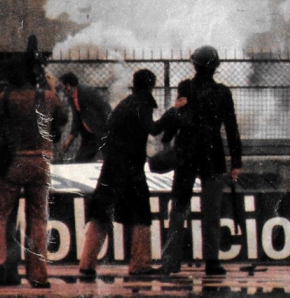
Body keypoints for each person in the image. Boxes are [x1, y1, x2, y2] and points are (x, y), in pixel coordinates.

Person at [79, 69, 176, 279]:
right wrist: (173, 111)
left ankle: (86, 263)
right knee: (140, 214)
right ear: (151, 85)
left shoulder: (125, 103)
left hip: (111, 166)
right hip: (131, 168)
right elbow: (153, 129)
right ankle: (139, 263)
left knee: (101, 213)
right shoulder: (143, 103)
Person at [161, 46, 243, 276]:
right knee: (212, 211)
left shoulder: (185, 87)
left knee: (179, 207)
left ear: (194, 65)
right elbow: (232, 128)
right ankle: (212, 261)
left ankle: (171, 261)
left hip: (187, 152)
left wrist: (167, 138)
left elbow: (179, 116)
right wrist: (236, 162)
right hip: (213, 154)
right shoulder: (223, 93)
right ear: (215, 67)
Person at [0, 55, 65, 288]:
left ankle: (2, 265)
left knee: (2, 215)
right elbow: (62, 119)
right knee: (38, 219)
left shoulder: (4, 98)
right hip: (40, 161)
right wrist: (52, 87)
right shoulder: (47, 97)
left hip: (12, 162)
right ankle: (39, 274)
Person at [58, 72, 111, 162]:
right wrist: (69, 140)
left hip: (100, 131)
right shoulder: (72, 97)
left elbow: (105, 108)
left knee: (108, 159)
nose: (62, 90)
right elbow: (76, 119)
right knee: (80, 160)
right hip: (89, 135)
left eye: (62, 87)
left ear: (68, 86)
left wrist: (108, 129)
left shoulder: (87, 92)